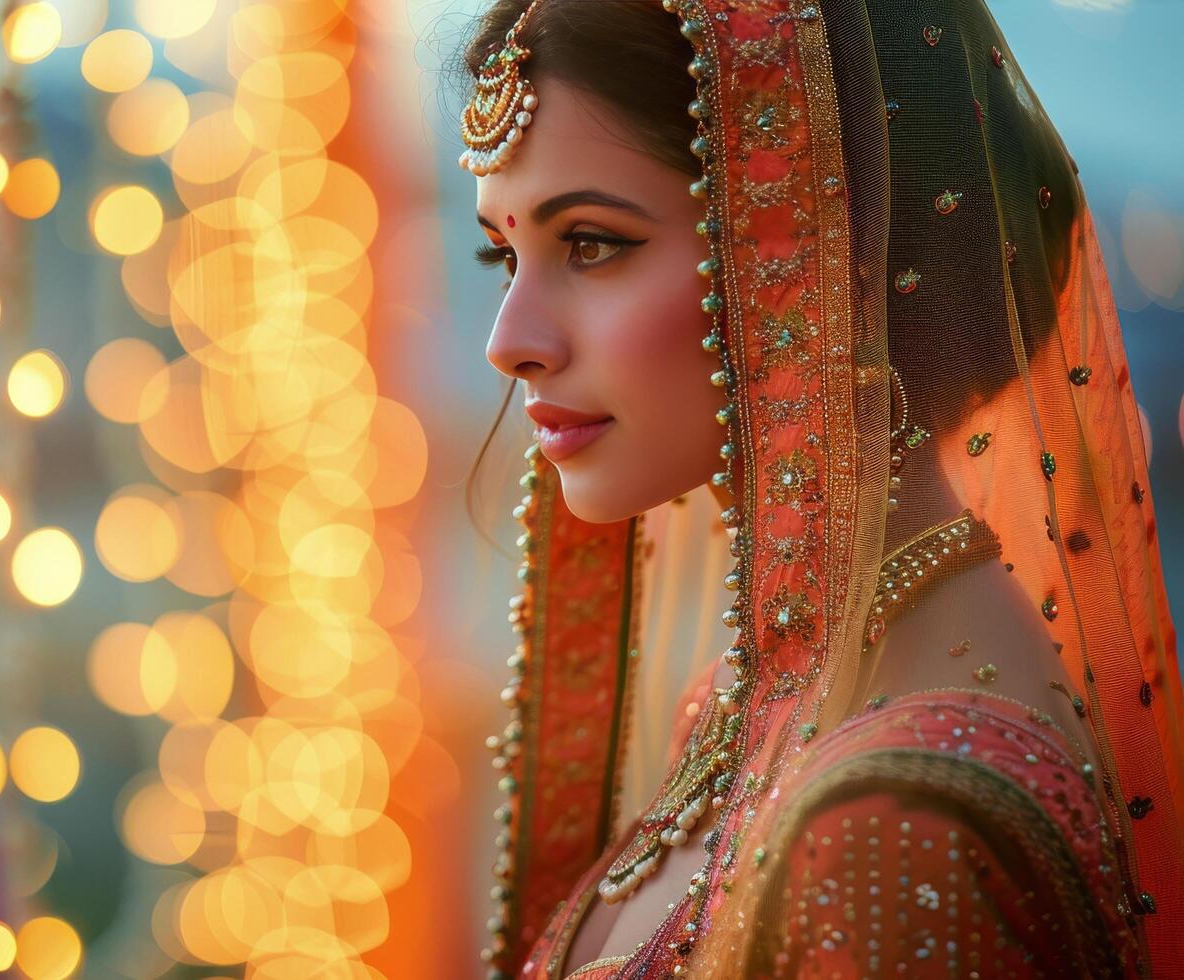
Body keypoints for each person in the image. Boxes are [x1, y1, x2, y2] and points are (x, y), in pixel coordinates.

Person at [456, 0, 1184, 976]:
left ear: (815, 251)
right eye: (502, 253)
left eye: (591, 242)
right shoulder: (768, 693)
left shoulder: (887, 827)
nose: (508, 340)